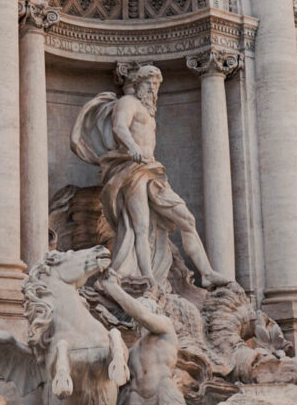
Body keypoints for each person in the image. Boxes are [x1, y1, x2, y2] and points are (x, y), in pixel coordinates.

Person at [71, 65, 231, 290]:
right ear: (137, 85)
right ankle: (148, 278)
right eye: (149, 84)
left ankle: (206, 273)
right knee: (141, 227)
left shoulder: (148, 111)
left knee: (187, 219)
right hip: (132, 170)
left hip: (152, 172)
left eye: (156, 85)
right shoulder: (128, 103)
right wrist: (132, 147)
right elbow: (119, 127)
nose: (153, 89)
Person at [96, 271, 184, 405]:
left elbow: (142, 316)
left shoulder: (166, 329)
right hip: (135, 400)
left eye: (145, 307)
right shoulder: (132, 351)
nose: (137, 315)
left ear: (156, 312)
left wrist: (112, 287)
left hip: (162, 392)